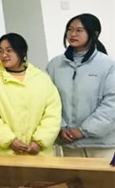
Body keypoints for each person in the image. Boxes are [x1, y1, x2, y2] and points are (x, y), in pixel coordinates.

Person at [0, 33, 61, 156]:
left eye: (9, 50)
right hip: (5, 155)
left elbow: (53, 114)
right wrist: (10, 141)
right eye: (0, 51)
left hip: (39, 155)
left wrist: (39, 142)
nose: (4, 55)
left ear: (22, 52)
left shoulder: (42, 79)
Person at [47, 14, 115, 159]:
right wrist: (61, 127)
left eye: (79, 30)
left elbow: (111, 105)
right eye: (69, 29)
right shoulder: (54, 65)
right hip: (69, 144)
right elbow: (48, 101)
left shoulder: (108, 65)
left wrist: (83, 130)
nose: (72, 34)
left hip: (103, 146)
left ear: (94, 34)